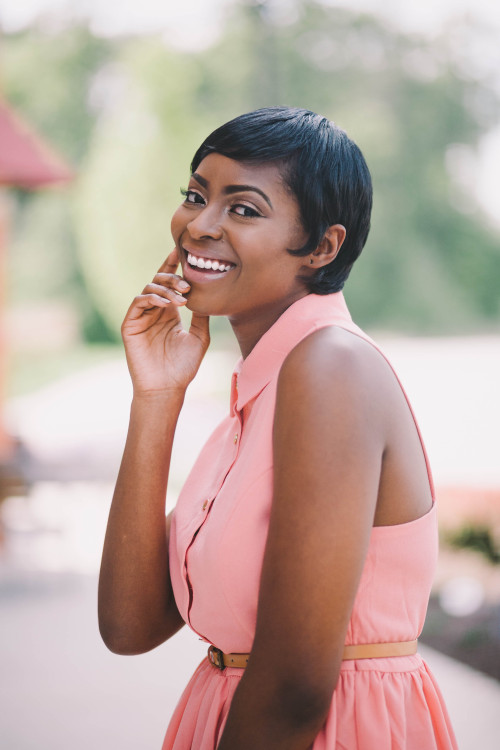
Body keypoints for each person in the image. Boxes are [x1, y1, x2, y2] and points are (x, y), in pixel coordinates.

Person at [98, 106, 458, 749]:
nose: (198, 226)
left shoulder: (330, 367)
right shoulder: (261, 394)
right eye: (195, 195)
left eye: (244, 209)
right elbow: (130, 627)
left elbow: (293, 687)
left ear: (322, 246)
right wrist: (156, 396)